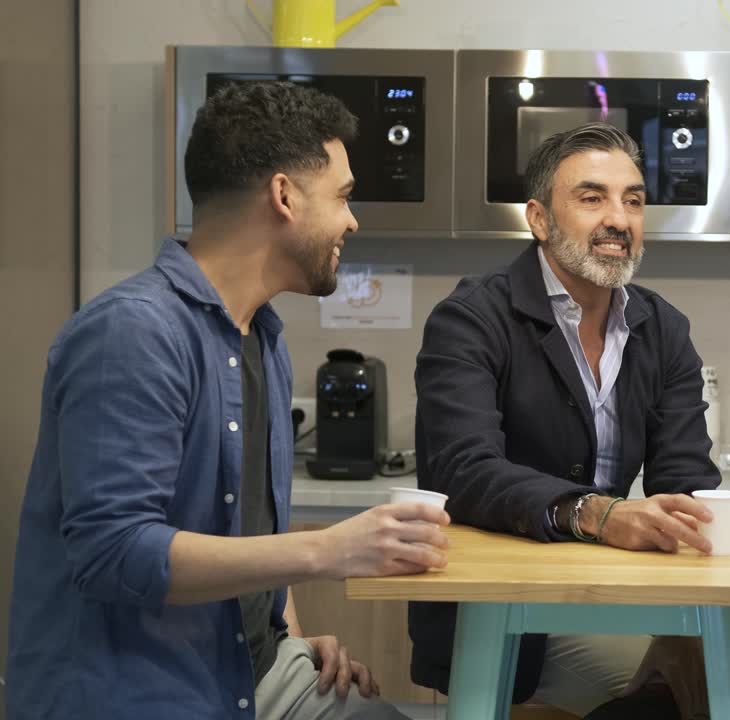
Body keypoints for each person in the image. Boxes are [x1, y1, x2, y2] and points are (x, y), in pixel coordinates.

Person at [6, 81, 449, 720]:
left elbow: (248, 528)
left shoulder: (263, 335)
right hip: (140, 695)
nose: (352, 220)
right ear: (284, 196)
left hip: (253, 670)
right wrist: (331, 550)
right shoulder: (133, 333)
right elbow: (113, 552)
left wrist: (289, 641)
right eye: (344, 197)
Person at [409, 122, 730, 719]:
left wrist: (683, 516)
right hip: (513, 607)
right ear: (539, 218)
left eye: (633, 201)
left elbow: (685, 480)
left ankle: (665, 674)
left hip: (621, 587)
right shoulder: (473, 318)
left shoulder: (662, 326)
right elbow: (464, 471)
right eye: (591, 197)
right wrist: (596, 514)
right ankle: (667, 681)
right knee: (710, 680)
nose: (619, 219)